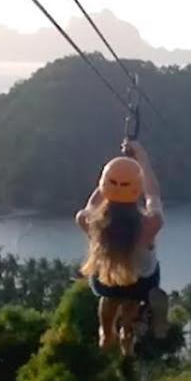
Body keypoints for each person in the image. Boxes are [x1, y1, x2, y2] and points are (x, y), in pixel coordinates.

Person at [76, 139, 169, 352]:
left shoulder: (89, 221)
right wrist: (141, 159)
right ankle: (129, 335)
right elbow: (152, 194)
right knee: (133, 300)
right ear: (136, 189)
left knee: (109, 297)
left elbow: (92, 205)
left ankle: (106, 334)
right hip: (143, 282)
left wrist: (114, 177)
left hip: (106, 282)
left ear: (104, 186)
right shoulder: (151, 223)